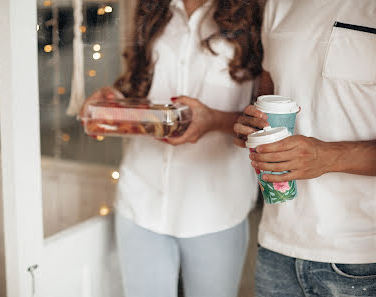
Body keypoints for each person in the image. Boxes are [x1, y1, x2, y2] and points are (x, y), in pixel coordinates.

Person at [81, 1, 263, 296]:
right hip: (141, 198)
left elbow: (264, 119)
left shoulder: (256, 13)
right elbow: (141, 86)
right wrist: (114, 100)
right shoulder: (153, 8)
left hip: (215, 207)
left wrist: (213, 120)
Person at [234, 1, 376, 296]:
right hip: (276, 249)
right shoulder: (278, 4)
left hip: (364, 260)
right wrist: (250, 127)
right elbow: (267, 98)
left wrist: (328, 157)